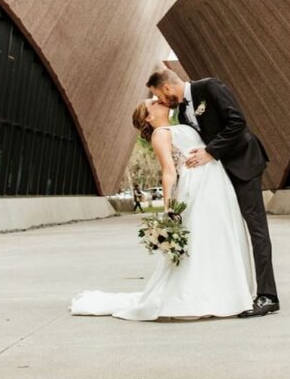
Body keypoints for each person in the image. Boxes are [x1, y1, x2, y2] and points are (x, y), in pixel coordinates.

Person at [70, 98, 255, 320]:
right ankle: (203, 295)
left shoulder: (184, 125)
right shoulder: (161, 133)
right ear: (149, 117)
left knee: (217, 237)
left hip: (214, 184)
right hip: (195, 188)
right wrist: (168, 208)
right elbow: (169, 171)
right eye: (153, 103)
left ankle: (224, 290)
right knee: (200, 238)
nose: (159, 101)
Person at [147, 69, 280, 318]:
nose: (162, 102)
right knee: (228, 232)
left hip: (243, 165)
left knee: (257, 228)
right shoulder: (181, 113)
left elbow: (237, 122)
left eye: (159, 96)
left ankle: (268, 296)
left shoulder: (209, 88)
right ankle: (232, 291)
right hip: (218, 177)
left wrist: (211, 151)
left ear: (166, 88)